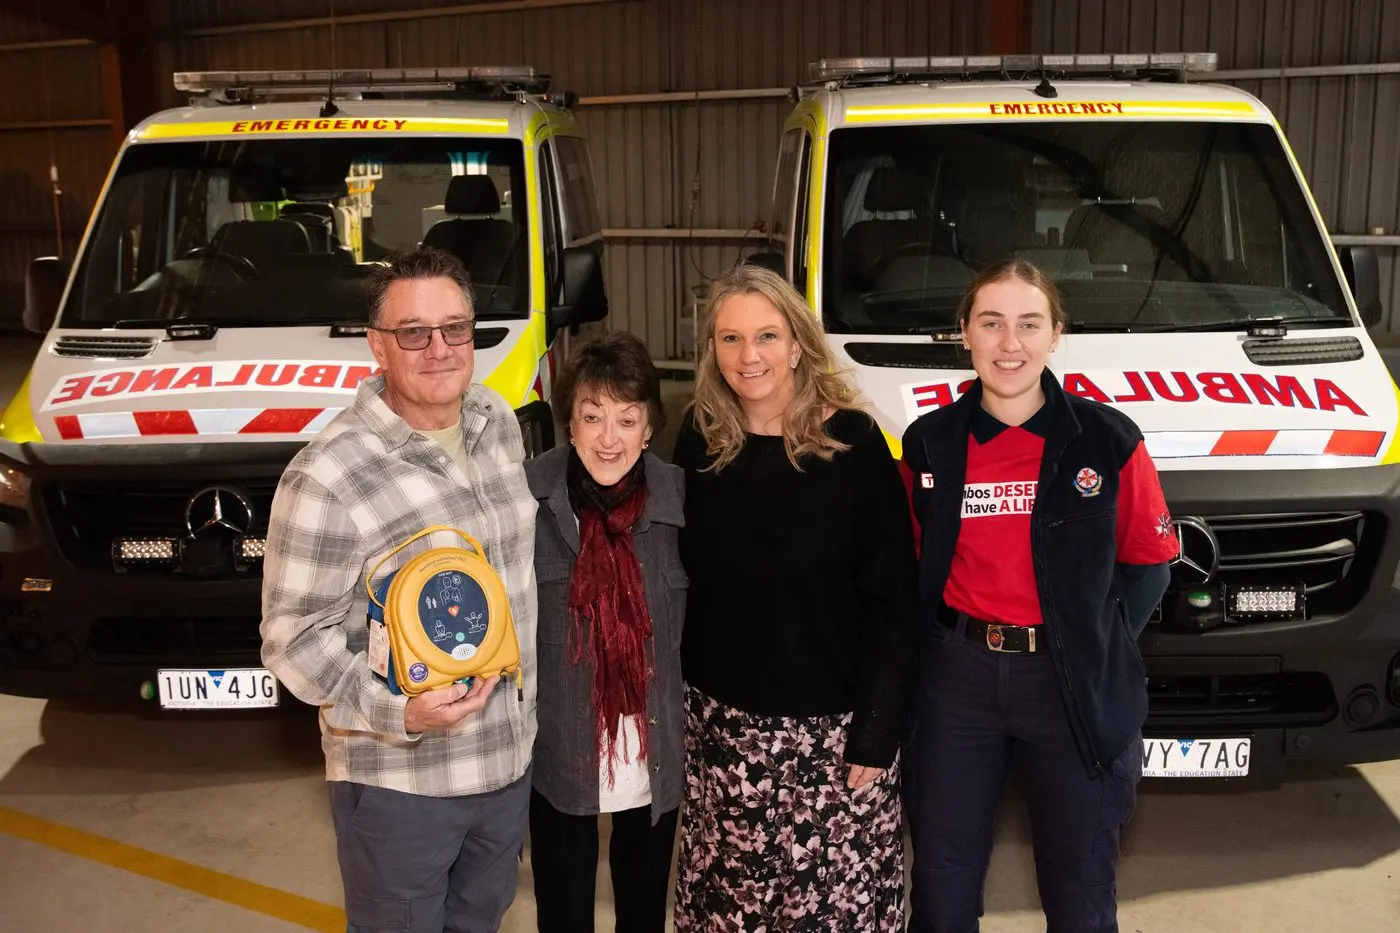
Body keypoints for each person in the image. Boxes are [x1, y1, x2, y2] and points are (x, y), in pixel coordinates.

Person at [261, 246, 537, 933]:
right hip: (400, 784)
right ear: (377, 347)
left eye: (456, 328)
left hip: (504, 766)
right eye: (415, 332)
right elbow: (292, 641)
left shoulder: (498, 422)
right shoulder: (327, 473)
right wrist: (400, 710)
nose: (440, 348)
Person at [901, 259, 1179, 933]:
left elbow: (1149, 566)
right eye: (991, 323)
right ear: (964, 333)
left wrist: (1090, 639)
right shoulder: (929, 444)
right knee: (942, 888)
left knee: (1081, 894)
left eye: (1029, 324)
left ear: (1057, 334)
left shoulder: (1109, 442)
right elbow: (910, 569)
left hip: (1069, 685)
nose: (1009, 343)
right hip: (957, 685)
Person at [671, 264, 917, 930]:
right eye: (729, 339)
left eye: (766, 336)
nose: (748, 357)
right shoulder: (700, 439)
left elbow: (895, 600)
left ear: (799, 342)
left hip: (834, 739)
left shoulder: (855, 445)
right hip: (723, 733)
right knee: (733, 910)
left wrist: (877, 728)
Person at [524, 332, 686, 933]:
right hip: (560, 746)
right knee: (563, 913)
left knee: (643, 913)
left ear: (649, 427)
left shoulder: (677, 500)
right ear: (569, 422)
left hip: (653, 749)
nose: (609, 437)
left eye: (627, 418)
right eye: (592, 416)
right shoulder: (528, 499)